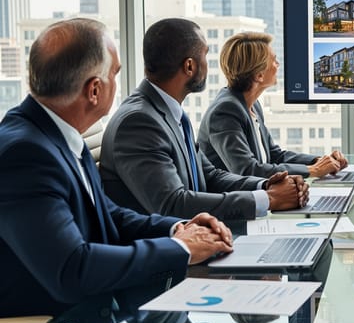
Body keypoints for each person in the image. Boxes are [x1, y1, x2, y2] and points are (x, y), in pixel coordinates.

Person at [0, 18, 237, 323]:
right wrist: (182, 250)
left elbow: (108, 214)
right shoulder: (25, 154)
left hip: (93, 314)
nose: (120, 82)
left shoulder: (56, 133)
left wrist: (178, 229)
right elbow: (73, 268)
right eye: (115, 73)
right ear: (94, 90)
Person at [101, 18, 309, 221]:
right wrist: (268, 199)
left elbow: (210, 176)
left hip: (200, 234)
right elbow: (172, 204)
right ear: (189, 66)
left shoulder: (170, 112)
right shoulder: (139, 122)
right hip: (169, 245)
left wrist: (264, 186)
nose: (209, 65)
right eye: (205, 56)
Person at [198, 32, 347, 179]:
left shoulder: (252, 104)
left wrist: (319, 162)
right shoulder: (225, 112)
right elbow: (247, 170)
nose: (278, 65)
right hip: (237, 200)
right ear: (259, 75)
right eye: (274, 61)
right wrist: (311, 170)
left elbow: (274, 155)